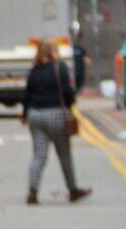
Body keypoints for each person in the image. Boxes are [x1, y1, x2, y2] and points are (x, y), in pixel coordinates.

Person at [22, 37, 89, 204]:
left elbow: (27, 95)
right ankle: (73, 190)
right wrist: (71, 106)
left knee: (39, 155)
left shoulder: (34, 71)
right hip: (56, 115)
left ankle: (32, 190)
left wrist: (24, 115)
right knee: (64, 154)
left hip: (35, 115)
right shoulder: (60, 68)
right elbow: (67, 92)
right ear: (53, 51)